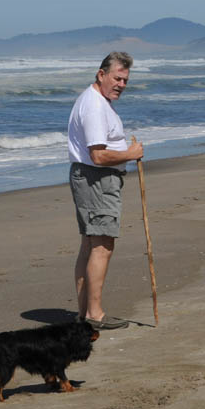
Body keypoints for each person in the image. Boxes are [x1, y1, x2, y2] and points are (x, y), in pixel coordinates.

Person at [67, 52, 144, 330]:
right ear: (101, 75)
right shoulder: (95, 105)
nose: (121, 84)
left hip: (93, 178)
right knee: (102, 245)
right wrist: (130, 154)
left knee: (91, 245)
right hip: (96, 179)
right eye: (117, 78)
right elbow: (98, 155)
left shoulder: (98, 101)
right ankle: (94, 314)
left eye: (125, 80)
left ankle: (85, 313)